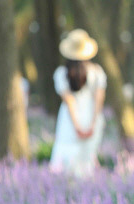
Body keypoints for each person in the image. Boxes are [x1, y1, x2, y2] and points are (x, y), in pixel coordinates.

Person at [49, 29, 107, 177]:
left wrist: (77, 126)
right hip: (91, 115)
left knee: (66, 157)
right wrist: (93, 123)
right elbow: (99, 100)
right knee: (87, 158)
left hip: (70, 119)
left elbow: (70, 102)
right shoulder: (97, 72)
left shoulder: (62, 73)